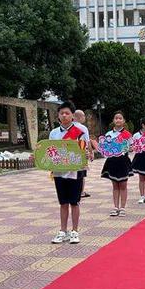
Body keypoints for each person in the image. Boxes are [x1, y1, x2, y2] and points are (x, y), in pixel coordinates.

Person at [49, 102, 85, 244]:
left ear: (72, 116)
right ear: (58, 115)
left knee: (74, 202)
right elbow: (50, 152)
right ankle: (63, 231)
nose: (64, 115)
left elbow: (83, 151)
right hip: (59, 171)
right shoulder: (54, 133)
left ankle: (74, 231)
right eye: (62, 113)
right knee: (63, 202)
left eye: (67, 113)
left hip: (75, 171)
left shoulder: (80, 132)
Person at [100, 111, 133, 216]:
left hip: (123, 161)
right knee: (115, 185)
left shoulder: (127, 134)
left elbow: (132, 147)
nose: (118, 120)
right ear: (113, 121)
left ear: (123, 121)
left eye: (120, 118)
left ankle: (122, 207)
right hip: (112, 161)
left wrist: (129, 148)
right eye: (116, 118)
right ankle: (115, 207)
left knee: (123, 185)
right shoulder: (108, 134)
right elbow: (105, 147)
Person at [73, 109, 92, 198]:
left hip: (70, 154)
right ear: (79, 117)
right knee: (81, 174)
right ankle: (81, 192)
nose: (84, 118)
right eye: (83, 116)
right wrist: (91, 152)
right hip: (81, 153)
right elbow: (88, 142)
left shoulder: (68, 126)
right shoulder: (83, 128)